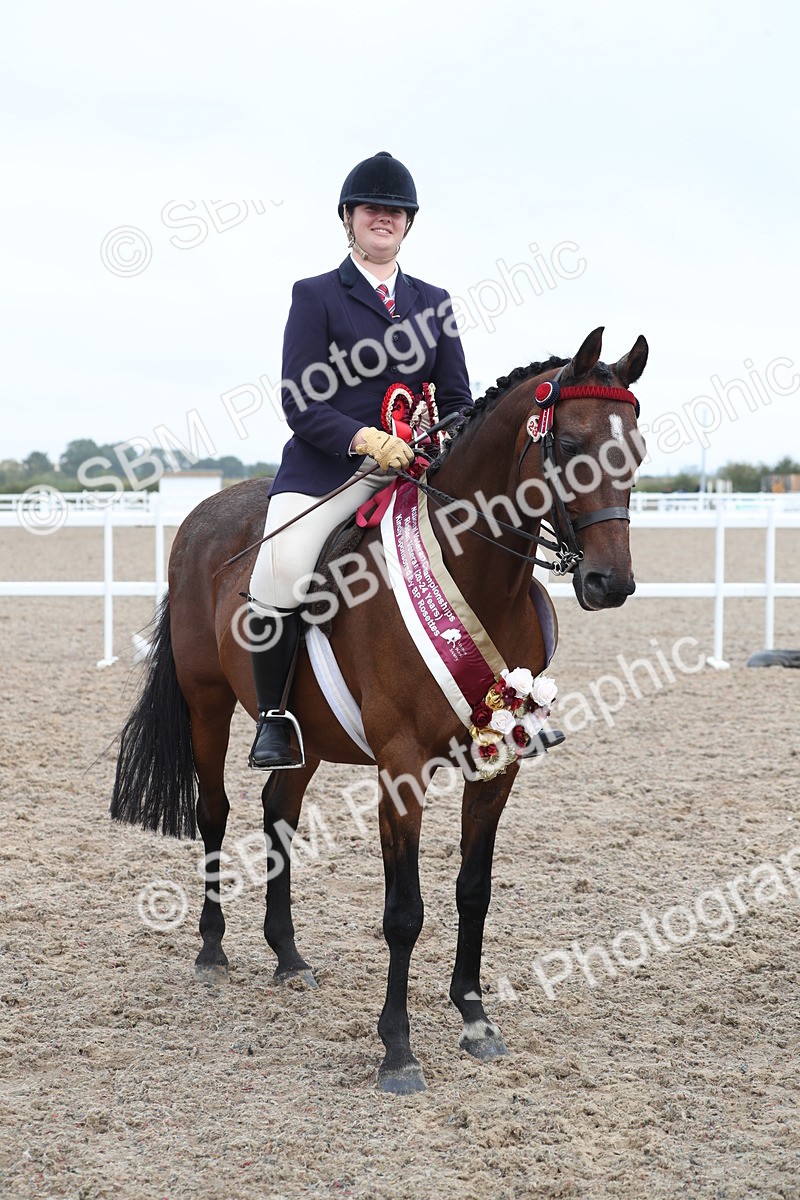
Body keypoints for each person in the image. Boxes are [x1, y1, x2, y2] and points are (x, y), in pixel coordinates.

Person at [247, 151, 474, 770]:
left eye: (396, 211)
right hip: (331, 470)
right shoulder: (317, 295)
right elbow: (300, 400)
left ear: (409, 223)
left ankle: (497, 703)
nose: (384, 218)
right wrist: (366, 440)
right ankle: (274, 718)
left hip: (418, 470)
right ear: (348, 218)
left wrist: (438, 438)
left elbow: (459, 401)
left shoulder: (434, 302)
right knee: (283, 566)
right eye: (372, 208)